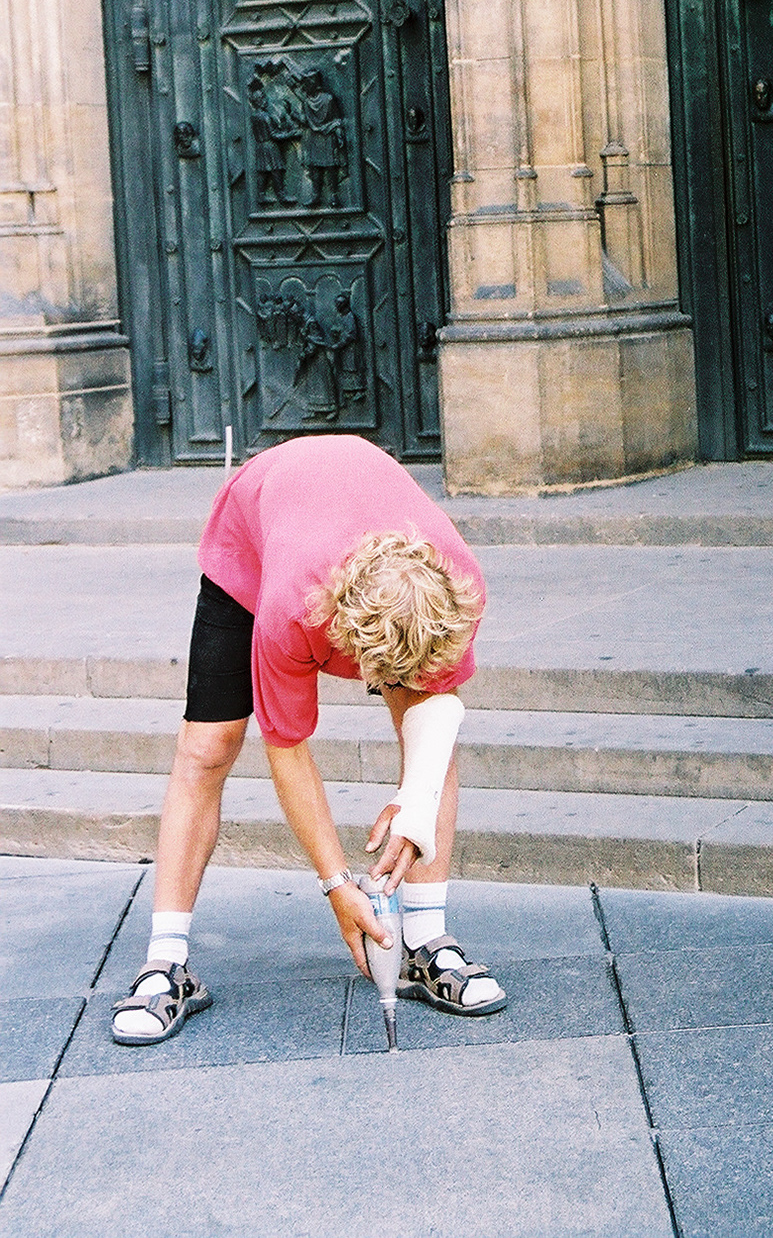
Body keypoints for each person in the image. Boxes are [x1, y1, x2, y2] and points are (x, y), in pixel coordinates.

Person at [111, 433, 505, 1045]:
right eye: (385, 674)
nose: (391, 685)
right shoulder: (291, 609)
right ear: (344, 641)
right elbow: (287, 749)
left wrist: (417, 805)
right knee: (208, 747)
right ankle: (166, 963)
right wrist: (337, 885)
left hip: (371, 538)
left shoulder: (454, 591)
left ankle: (426, 942)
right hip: (256, 530)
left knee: (420, 721)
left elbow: (436, 727)